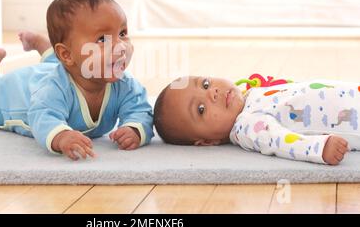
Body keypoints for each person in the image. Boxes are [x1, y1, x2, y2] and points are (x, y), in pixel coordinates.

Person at [0, 0, 154, 160]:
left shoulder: (125, 84)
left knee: (63, 66)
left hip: (63, 67)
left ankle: (41, 44)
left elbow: (140, 110)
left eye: (122, 33)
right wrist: (61, 136)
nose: (120, 46)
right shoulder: (52, 89)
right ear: (66, 54)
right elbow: (43, 116)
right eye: (102, 39)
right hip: (18, 87)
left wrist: (135, 128)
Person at [153, 76, 357, 165]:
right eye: (201, 109)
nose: (212, 93)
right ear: (207, 141)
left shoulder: (249, 96)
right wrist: (318, 148)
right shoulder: (247, 126)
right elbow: (280, 141)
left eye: (205, 84)